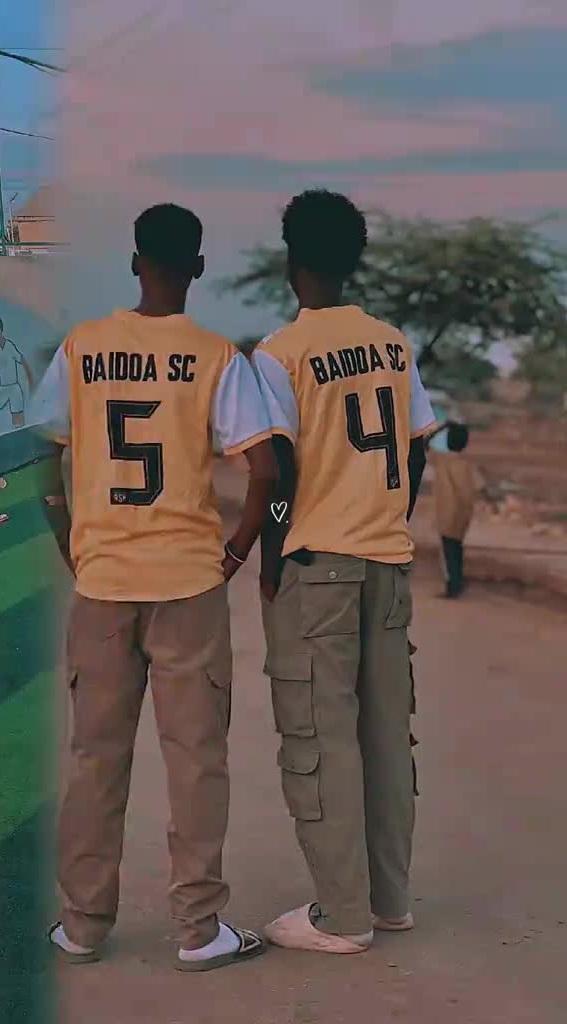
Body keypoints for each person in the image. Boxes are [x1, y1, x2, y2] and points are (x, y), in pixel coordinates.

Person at [32, 203, 277, 971]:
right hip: (189, 585)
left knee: (95, 758)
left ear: (135, 262)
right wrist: (235, 554)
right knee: (197, 759)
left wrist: (71, 539)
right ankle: (199, 930)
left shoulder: (82, 347)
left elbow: (44, 452)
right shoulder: (215, 357)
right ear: (198, 268)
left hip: (103, 582)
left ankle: (82, 925)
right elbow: (266, 472)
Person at [251, 189, 436, 955]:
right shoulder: (392, 344)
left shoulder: (280, 353)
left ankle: (343, 916)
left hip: (318, 564)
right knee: (387, 736)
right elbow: (417, 447)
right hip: (387, 562)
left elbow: (277, 473)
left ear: (291, 262)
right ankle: (390, 902)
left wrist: (271, 558)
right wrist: (387, 514)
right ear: (355, 259)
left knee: (322, 738)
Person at [426, 421, 485, 599]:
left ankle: (453, 586)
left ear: (447, 441)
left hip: (445, 512)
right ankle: (458, 582)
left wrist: (442, 427)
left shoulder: (441, 459)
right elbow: (481, 487)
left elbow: (423, 444)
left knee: (448, 551)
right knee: (456, 547)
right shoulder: (469, 465)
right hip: (463, 514)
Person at [0, 317, 33, 428]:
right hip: (2, 389)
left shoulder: (9, 346)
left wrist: (30, 376)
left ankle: (19, 430)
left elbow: (22, 360)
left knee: (18, 420)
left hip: (14, 388)